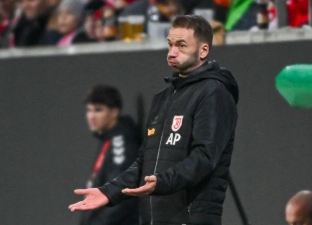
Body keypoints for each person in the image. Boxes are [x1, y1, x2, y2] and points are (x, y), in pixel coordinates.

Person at [69, 14, 239, 225]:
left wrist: (161, 182)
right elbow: (144, 163)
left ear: (203, 50)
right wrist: (109, 192)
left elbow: (204, 158)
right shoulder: (163, 98)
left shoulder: (214, 92)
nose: (172, 52)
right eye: (170, 44)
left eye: (182, 45)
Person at [80, 84, 141, 225]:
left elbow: (121, 195)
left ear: (114, 112)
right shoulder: (109, 139)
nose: (91, 116)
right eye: (89, 110)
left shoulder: (121, 142)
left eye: (98, 110)